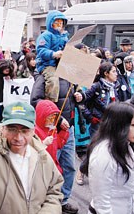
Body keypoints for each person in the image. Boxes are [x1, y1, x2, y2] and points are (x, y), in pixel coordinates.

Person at [31, 73, 83, 214]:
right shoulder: (46, 76)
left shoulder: (72, 77)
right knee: (50, 167)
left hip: (68, 129)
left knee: (69, 166)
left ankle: (63, 200)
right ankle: (47, 202)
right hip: (50, 128)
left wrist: (79, 96)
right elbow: (36, 100)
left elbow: (77, 97)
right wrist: (58, 120)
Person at [81, 102, 134, 213]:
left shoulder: (125, 144)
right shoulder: (103, 155)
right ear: (118, 126)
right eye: (133, 125)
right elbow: (101, 202)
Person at [35, 10, 69, 102]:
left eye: (61, 23)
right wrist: (53, 54)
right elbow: (41, 50)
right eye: (56, 22)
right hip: (47, 64)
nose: (59, 25)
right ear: (51, 23)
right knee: (53, 80)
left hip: (60, 63)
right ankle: (50, 102)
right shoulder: (45, 35)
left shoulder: (64, 36)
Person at [83, 62, 120, 136]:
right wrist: (90, 117)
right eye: (113, 71)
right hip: (98, 124)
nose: (116, 74)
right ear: (106, 73)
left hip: (111, 123)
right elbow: (81, 102)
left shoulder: (113, 87)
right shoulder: (96, 87)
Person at [34, 100, 69, 173]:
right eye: (50, 118)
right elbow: (31, 151)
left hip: (53, 167)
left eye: (54, 118)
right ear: (42, 116)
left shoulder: (52, 128)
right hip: (41, 169)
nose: (52, 120)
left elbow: (59, 144)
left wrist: (64, 131)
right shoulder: (34, 131)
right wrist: (43, 144)